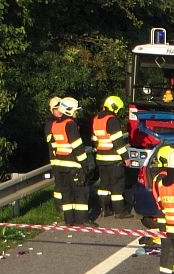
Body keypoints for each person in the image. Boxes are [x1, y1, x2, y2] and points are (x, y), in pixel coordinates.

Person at [47, 97, 92, 226]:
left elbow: (54, 146)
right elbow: (77, 146)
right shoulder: (70, 124)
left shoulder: (55, 124)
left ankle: (69, 220)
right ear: (70, 110)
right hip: (74, 165)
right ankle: (82, 220)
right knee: (81, 192)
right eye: (75, 111)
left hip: (60, 165)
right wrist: (85, 165)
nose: (76, 113)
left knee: (66, 193)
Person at [92, 94, 131, 217]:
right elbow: (118, 141)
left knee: (104, 185)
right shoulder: (112, 120)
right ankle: (119, 211)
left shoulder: (97, 119)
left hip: (100, 158)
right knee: (117, 185)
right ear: (114, 107)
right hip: (114, 159)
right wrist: (126, 158)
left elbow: (94, 139)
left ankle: (104, 209)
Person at [149, 147, 174, 274]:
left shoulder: (162, 175)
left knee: (171, 246)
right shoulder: (163, 177)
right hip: (166, 217)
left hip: (166, 215)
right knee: (169, 247)